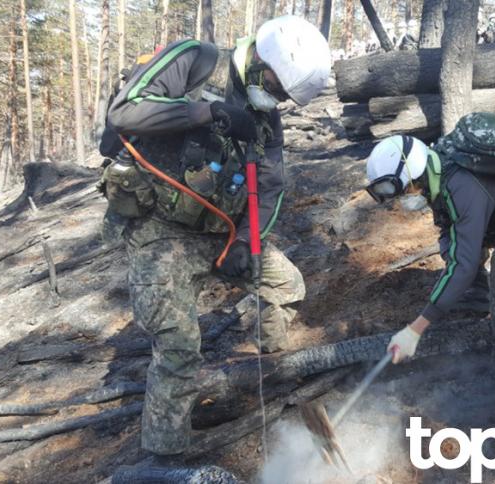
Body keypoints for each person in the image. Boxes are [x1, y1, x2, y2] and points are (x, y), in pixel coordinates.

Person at [101, 15, 331, 461]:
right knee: (179, 349)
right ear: (266, 60)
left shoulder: (266, 119)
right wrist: (207, 112)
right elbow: (125, 111)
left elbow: (269, 186)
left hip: (217, 231)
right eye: (278, 89)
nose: (277, 100)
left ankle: (270, 365)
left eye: (285, 97)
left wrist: (244, 242)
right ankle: (164, 458)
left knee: (287, 285)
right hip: (158, 233)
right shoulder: (196, 60)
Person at [365, 96, 495, 365]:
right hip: (494, 211)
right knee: (450, 245)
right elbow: (449, 230)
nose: (403, 199)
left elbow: (463, 263)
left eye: (404, 191)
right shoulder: (434, 168)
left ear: (414, 176)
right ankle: (478, 296)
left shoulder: (461, 186)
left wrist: (415, 329)